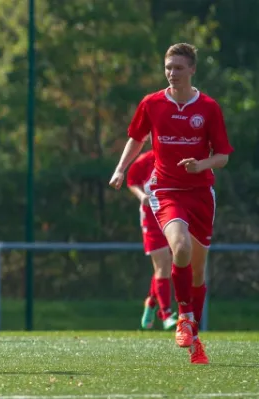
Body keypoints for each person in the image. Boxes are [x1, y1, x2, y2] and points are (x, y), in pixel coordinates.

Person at [109, 43, 233, 364]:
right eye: (168, 67)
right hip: (165, 190)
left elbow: (222, 156)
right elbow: (136, 138)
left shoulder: (208, 107)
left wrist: (200, 165)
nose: (172, 73)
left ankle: (194, 333)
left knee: (198, 272)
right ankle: (183, 316)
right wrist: (121, 169)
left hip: (201, 193)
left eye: (178, 68)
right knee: (180, 249)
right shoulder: (152, 103)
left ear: (192, 70)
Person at [126, 149, 177, 331]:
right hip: (151, 219)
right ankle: (166, 314)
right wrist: (142, 196)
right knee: (163, 266)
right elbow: (131, 181)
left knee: (167, 266)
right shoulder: (144, 160)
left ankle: (151, 301)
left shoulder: (176, 157)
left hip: (172, 216)